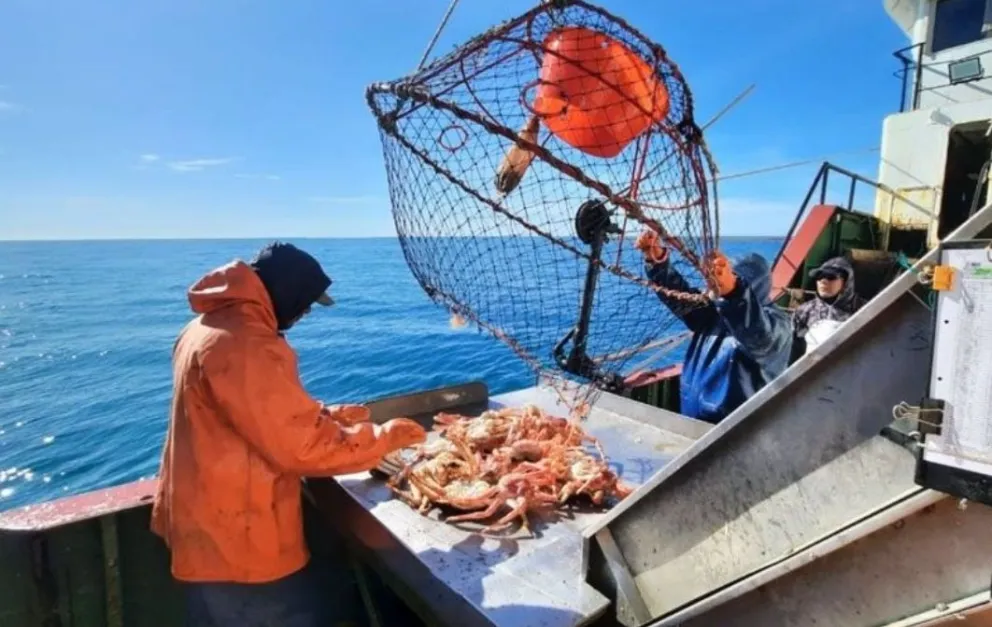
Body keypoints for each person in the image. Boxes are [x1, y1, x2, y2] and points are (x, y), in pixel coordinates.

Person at [151, 241, 427, 627]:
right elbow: (301, 449)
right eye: (306, 303)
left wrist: (327, 415)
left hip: (204, 527)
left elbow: (244, 414)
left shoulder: (207, 327)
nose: (305, 312)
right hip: (241, 545)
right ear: (287, 291)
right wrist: (384, 438)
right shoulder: (246, 343)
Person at [634, 230, 793, 424]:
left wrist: (734, 293)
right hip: (692, 421)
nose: (713, 284)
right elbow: (680, 296)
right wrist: (657, 261)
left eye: (730, 278)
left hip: (735, 433)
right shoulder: (711, 314)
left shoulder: (778, 323)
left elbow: (759, 335)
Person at [792, 256, 865, 355]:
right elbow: (793, 350)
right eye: (819, 276)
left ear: (846, 282)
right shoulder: (803, 311)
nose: (823, 281)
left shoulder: (865, 309)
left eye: (831, 277)